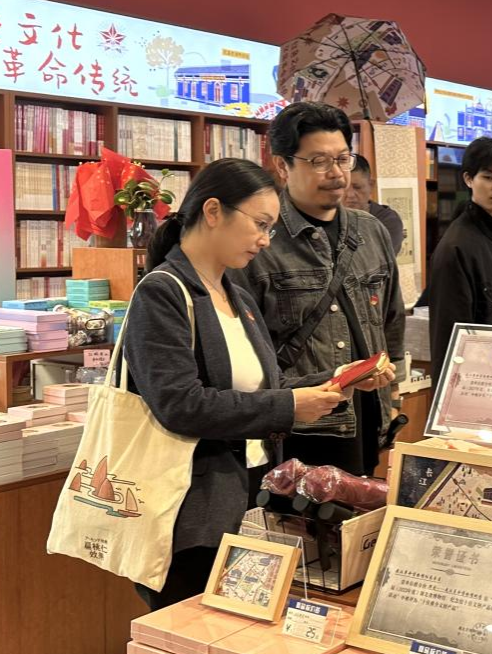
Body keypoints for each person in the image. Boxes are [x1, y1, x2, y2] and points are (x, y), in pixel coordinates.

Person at [122, 158, 391, 610]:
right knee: (190, 632)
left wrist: (337, 380)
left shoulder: (236, 295)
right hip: (187, 511)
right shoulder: (163, 292)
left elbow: (266, 384)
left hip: (248, 497)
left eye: (271, 227)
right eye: (260, 224)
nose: (266, 240)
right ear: (213, 211)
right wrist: (288, 406)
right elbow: (180, 404)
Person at [237, 103, 403, 477]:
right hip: (295, 428)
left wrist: (393, 396)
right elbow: (242, 349)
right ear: (283, 166)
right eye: (319, 162)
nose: (337, 173)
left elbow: (391, 319)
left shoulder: (371, 231)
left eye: (343, 159)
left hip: (366, 420)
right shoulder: (260, 241)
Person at [427, 136, 492, 376]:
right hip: (474, 379)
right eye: (488, 177)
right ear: (468, 179)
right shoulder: (457, 246)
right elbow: (449, 335)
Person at [344, 154, 405, 256]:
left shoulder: (387, 220)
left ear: (371, 185)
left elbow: (373, 260)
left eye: (357, 187)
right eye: (343, 187)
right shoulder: (327, 217)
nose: (350, 195)